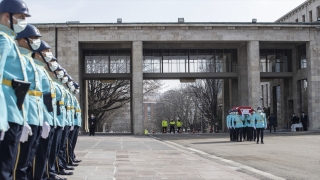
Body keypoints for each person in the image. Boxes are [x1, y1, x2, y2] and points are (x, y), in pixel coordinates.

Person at [0, 0, 32, 179]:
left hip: (14, 112)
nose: (23, 21)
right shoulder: (2, 40)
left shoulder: (9, 41)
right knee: (5, 169)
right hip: (6, 113)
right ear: (7, 16)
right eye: (20, 17)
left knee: (9, 165)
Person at [14, 24, 45, 180]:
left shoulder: (29, 62)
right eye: (33, 38)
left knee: (28, 159)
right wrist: (22, 118)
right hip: (22, 116)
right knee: (18, 164)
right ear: (22, 39)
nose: (35, 42)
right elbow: (16, 89)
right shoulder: (17, 57)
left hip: (35, 116)